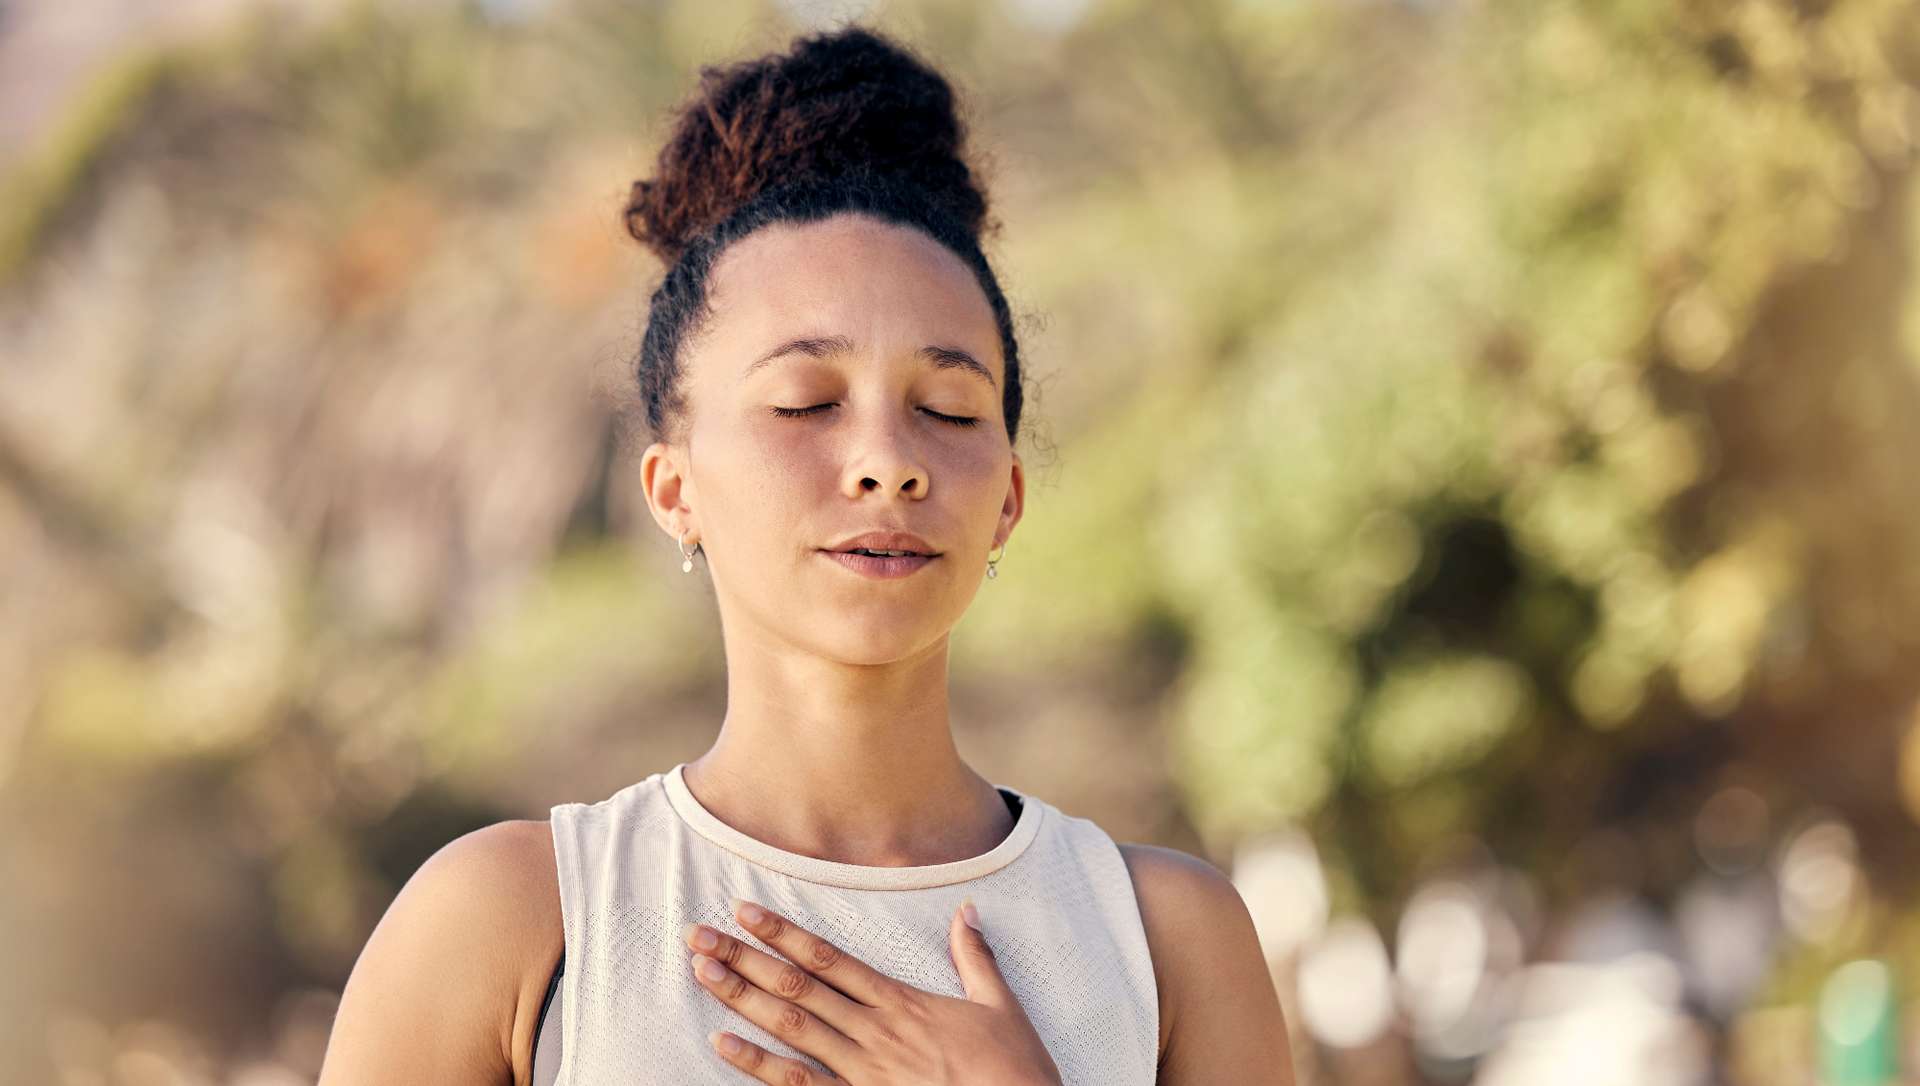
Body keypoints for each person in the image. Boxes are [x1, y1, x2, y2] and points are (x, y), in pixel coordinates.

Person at [318, 22, 1293, 1086]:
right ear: (673, 489)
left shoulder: (1166, 940)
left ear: (1007, 499)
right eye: (805, 402)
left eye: (948, 409)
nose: (888, 461)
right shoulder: (513, 923)